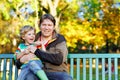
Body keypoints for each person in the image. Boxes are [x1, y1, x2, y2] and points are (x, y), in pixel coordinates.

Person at [15, 14, 73, 80]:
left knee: (66, 79)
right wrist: (21, 61)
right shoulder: (33, 38)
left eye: (49, 25)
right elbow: (18, 59)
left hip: (56, 72)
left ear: (54, 27)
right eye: (44, 25)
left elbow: (58, 59)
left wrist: (36, 51)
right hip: (35, 72)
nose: (46, 28)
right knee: (29, 77)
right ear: (40, 26)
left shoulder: (59, 39)